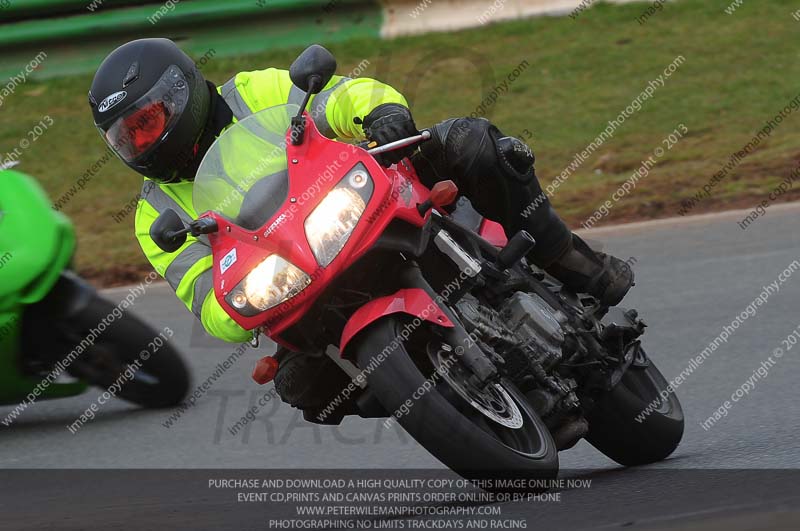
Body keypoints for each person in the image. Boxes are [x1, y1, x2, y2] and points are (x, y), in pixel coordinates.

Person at [89, 39, 633, 418]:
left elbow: (338, 98)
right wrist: (234, 304)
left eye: (147, 123)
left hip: (357, 198)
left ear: (181, 96)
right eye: (125, 138)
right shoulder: (152, 215)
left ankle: (571, 261)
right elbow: (205, 298)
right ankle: (422, 396)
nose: (140, 143)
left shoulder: (251, 93)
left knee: (472, 144)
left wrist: (380, 116)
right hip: (295, 276)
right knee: (298, 383)